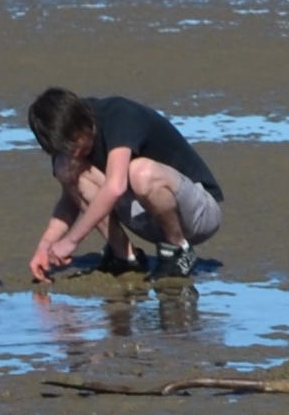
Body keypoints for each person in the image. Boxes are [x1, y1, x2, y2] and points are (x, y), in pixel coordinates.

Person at [24, 90, 226, 280]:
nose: (74, 153)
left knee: (140, 172)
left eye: (74, 145)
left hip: (198, 214)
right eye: (65, 149)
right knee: (65, 167)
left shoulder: (118, 115)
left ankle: (178, 249)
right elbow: (71, 201)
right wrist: (45, 247)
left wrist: (71, 241)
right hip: (149, 216)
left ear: (83, 122)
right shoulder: (68, 148)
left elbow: (116, 187)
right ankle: (125, 258)